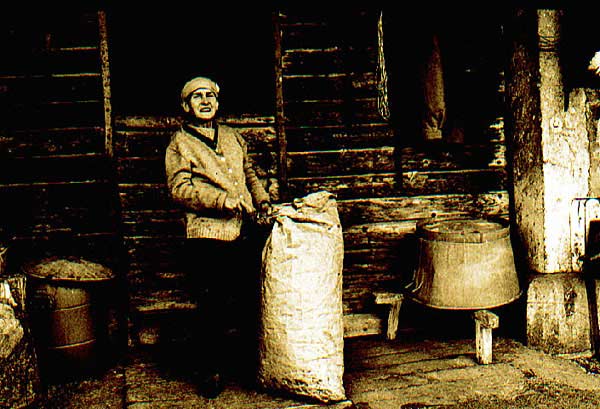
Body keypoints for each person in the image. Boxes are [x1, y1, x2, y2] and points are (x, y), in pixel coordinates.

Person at [165, 76, 272, 398]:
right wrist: (221, 201)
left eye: (209, 95)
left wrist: (262, 200)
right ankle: (209, 370)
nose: (204, 101)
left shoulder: (231, 136)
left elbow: (249, 173)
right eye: (197, 97)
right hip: (207, 235)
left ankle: (249, 367)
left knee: (248, 299)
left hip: (243, 230)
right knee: (213, 305)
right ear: (186, 106)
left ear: (218, 101)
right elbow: (179, 189)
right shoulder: (180, 143)